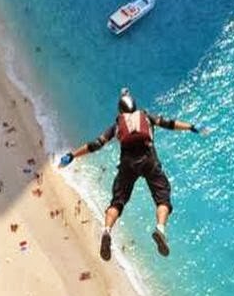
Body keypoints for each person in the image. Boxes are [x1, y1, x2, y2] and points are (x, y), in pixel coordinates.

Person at [58, 88, 204, 261]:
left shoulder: (117, 125)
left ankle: (106, 231)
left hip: (128, 163)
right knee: (163, 199)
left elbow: (96, 144)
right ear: (135, 107)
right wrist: (192, 127)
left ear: (120, 110)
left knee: (117, 203)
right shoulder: (146, 117)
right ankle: (160, 229)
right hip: (149, 160)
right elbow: (169, 124)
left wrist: (72, 155)